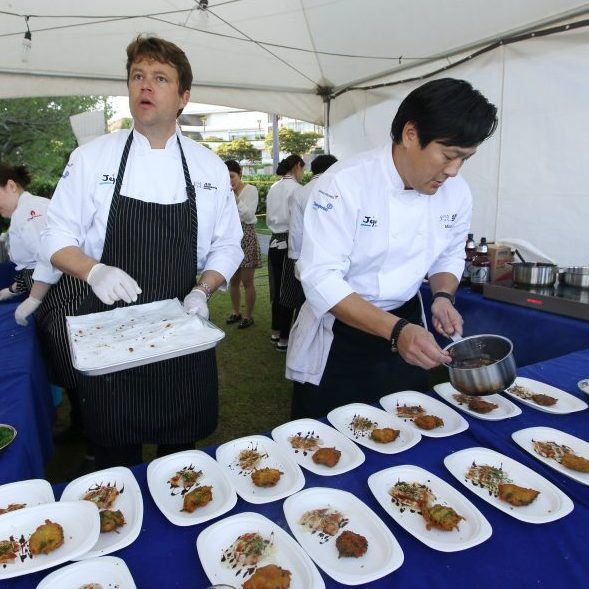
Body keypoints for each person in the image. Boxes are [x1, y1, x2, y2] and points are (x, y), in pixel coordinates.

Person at [38, 35, 243, 468]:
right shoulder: (92, 158)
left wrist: (203, 291)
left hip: (180, 333)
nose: (145, 86)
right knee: (115, 458)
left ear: (183, 97)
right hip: (110, 336)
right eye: (137, 76)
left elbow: (228, 244)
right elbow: (55, 236)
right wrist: (94, 272)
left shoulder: (207, 167)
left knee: (181, 461)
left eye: (160, 78)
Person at [287, 78, 498, 419]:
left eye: (465, 159)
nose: (454, 171)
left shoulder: (456, 193)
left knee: (410, 426)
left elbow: (449, 253)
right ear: (411, 134)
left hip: (408, 321)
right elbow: (320, 279)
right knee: (331, 434)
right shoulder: (345, 184)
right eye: (448, 155)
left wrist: (443, 297)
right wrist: (395, 331)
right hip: (343, 331)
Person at [0, 163, 53, 325]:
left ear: (10, 186)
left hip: (63, 293)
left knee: (64, 346)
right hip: (47, 292)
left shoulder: (28, 210)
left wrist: (33, 299)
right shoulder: (22, 211)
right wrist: (11, 290)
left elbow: (50, 259)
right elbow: (31, 265)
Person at [286, 154, 338, 312]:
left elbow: (295, 229)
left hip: (308, 257)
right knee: (334, 301)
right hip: (335, 257)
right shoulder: (341, 189)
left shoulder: (300, 193)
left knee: (306, 303)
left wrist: (295, 258)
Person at [265, 154, 305, 351]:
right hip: (289, 244)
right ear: (298, 166)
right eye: (303, 169)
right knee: (288, 291)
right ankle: (284, 337)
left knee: (276, 289)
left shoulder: (274, 187)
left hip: (274, 243)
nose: (303, 173)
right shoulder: (298, 190)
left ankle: (275, 332)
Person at [224, 159, 262, 329]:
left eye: (232, 176)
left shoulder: (251, 190)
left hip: (246, 236)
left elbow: (249, 217)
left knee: (247, 281)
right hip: (230, 237)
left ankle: (248, 315)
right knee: (233, 280)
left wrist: (235, 199)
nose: (230, 180)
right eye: (226, 177)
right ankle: (235, 311)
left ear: (239, 174)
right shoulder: (223, 191)